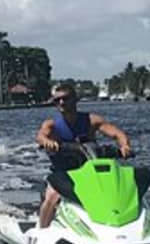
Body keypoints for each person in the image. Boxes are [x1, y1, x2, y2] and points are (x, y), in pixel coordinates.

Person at [35, 84, 132, 228]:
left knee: (116, 190)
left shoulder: (92, 120)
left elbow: (117, 133)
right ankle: (42, 229)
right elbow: (41, 136)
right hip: (62, 173)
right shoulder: (51, 125)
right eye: (57, 100)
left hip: (89, 171)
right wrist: (47, 142)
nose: (61, 102)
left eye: (65, 98)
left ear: (75, 99)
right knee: (52, 196)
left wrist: (124, 146)